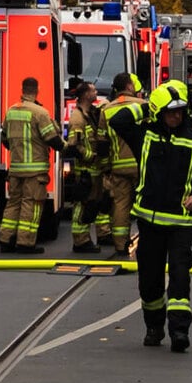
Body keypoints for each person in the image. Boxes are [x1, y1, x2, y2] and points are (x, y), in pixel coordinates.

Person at [109, 80, 192, 353]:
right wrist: (149, 105)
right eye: (170, 111)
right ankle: (154, 326)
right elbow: (117, 118)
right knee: (150, 282)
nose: (176, 115)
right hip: (149, 225)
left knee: (181, 279)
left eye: (180, 110)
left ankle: (179, 330)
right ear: (160, 112)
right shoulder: (144, 135)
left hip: (181, 225)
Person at [0, 77, 67, 253]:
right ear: (37, 90)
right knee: (32, 205)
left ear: (22, 89)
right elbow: (53, 140)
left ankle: (6, 240)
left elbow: (5, 139)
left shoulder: (11, 111)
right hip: (35, 171)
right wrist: (69, 148)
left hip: (15, 169)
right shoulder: (40, 113)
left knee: (13, 203)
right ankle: (25, 242)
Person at [98, 72, 148, 256]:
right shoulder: (142, 106)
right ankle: (148, 242)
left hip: (119, 167)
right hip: (142, 164)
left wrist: (106, 168)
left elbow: (102, 143)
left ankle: (120, 245)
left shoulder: (106, 110)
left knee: (120, 205)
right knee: (146, 204)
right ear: (129, 86)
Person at [66, 80, 111, 253]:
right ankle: (80, 241)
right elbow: (73, 145)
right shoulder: (77, 117)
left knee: (92, 204)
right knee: (82, 205)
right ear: (85, 94)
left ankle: (85, 239)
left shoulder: (91, 113)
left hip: (95, 170)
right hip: (86, 170)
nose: (96, 93)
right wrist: (91, 157)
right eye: (93, 90)